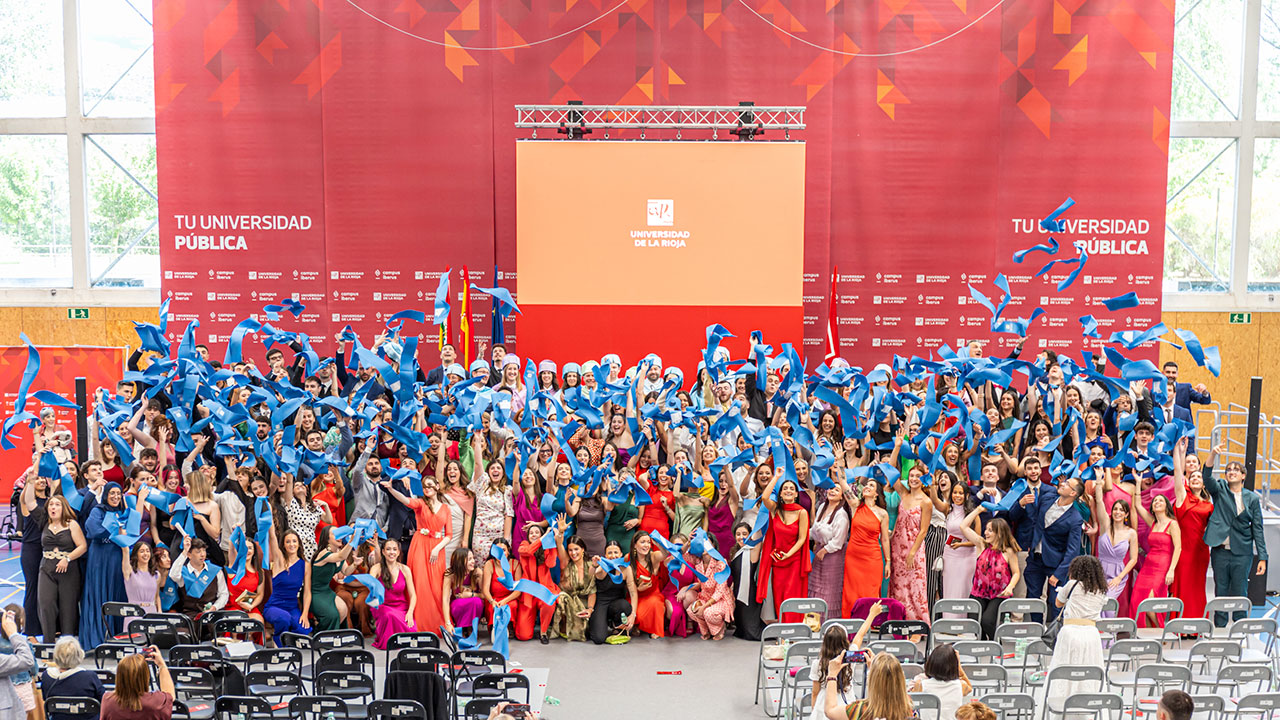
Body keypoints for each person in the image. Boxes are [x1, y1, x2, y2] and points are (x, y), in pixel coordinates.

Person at [1203, 443, 1267, 626]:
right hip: (1220, 551)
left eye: (1236, 470)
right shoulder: (1220, 489)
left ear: (1243, 476)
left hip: (1242, 552)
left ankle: (1239, 629)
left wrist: (1262, 557)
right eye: (1228, 470)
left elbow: (1258, 528)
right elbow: (1206, 477)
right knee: (1220, 590)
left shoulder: (1252, 498)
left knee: (1240, 590)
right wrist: (1213, 453)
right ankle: (1220, 628)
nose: (1232, 472)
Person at [381, 476, 451, 637]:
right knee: (419, 584)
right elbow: (406, 500)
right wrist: (391, 489)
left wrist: (437, 548)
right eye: (425, 487)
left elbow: (449, 534)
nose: (427, 489)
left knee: (436, 586)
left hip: (437, 549)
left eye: (430, 485)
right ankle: (417, 622)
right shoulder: (420, 504)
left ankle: (437, 623)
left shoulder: (445, 508)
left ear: (437, 486)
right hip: (420, 546)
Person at [1012, 477, 1083, 622]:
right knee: (1033, 599)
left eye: (1067, 484)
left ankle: (1055, 636)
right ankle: (1037, 630)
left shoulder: (1075, 518)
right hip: (1035, 559)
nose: (1063, 484)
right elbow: (1033, 519)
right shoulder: (1047, 498)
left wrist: (1059, 573)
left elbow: (1073, 550)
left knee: (1056, 602)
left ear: (1073, 493)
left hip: (1056, 564)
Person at [1046, 555, 1109, 704]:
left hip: (1070, 632)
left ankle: (1063, 704)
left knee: (1064, 670)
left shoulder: (1072, 584)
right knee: (1088, 672)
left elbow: (1058, 604)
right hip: (1091, 634)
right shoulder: (1101, 590)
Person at [958, 508, 1021, 640]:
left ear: (999, 533)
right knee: (975, 622)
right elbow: (963, 526)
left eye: (990, 530)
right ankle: (982, 645)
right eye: (986, 529)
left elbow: (1016, 573)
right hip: (979, 591)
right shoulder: (982, 545)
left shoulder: (1008, 551)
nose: (985, 533)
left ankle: (996, 644)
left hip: (999, 593)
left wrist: (1010, 587)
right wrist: (979, 510)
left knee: (987, 621)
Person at [80, 482, 129, 648]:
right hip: (100, 558)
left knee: (117, 593)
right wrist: (116, 529)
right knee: (98, 594)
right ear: (106, 494)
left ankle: (116, 636)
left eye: (118, 493)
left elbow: (132, 532)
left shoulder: (124, 512)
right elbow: (93, 530)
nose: (115, 497)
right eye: (112, 493)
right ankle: (96, 639)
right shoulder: (98, 511)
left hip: (117, 557)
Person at [758, 476, 812, 623]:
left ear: (796, 494)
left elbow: (802, 538)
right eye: (785, 488)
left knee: (791, 596)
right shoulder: (776, 510)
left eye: (791, 489)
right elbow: (764, 497)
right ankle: (783, 632)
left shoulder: (802, 513)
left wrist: (789, 554)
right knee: (779, 596)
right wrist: (776, 477)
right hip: (778, 560)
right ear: (780, 494)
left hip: (794, 560)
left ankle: (793, 631)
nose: (788, 491)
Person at [811, 608, 880, 720]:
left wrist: (814, 710)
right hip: (846, 702)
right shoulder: (850, 658)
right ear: (845, 642)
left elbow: (815, 692)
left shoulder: (817, 663)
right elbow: (860, 635)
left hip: (824, 703)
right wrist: (872, 614)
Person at [839, 472, 891, 617]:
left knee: (871, 591)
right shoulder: (856, 505)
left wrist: (888, 562)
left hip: (872, 558)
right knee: (851, 591)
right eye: (867, 484)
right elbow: (843, 483)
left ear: (877, 494)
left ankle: (869, 624)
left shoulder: (883, 514)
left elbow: (885, 539)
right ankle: (851, 623)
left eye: (871, 485)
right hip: (853, 557)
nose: (867, 486)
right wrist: (839, 462)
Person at [1171, 438, 1212, 619]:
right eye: (1193, 476)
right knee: (1183, 586)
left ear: (1203, 484)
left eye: (1199, 477)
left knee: (1197, 587)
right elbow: (1178, 472)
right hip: (1183, 550)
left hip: (1201, 551)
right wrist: (1180, 452)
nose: (1195, 478)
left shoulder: (1209, 505)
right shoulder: (1182, 497)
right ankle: (1180, 625)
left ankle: (1196, 625)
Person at [38, 495, 86, 642]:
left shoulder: (71, 524)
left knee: (68, 608)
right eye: (51, 504)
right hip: (47, 568)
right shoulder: (45, 523)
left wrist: (67, 558)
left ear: (63, 507)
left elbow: (83, 546)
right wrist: (31, 481)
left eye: (57, 504)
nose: (53, 507)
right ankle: (48, 644)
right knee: (46, 604)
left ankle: (67, 646)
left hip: (68, 571)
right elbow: (28, 503)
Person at [1130, 494, 1181, 628]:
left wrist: (1171, 570)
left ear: (1166, 505)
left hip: (1162, 567)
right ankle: (1147, 635)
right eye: (1155, 501)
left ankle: (1161, 630)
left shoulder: (1172, 524)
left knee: (1149, 602)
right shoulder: (1153, 522)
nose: (1157, 502)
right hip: (1148, 567)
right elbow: (1138, 506)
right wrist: (1138, 481)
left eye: (1161, 500)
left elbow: (1178, 548)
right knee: (1138, 601)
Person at [889, 465, 933, 622]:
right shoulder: (903, 494)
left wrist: (913, 552)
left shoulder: (926, 502)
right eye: (911, 476)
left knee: (916, 587)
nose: (914, 479)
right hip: (897, 547)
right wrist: (897, 446)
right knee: (899, 586)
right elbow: (891, 472)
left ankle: (918, 623)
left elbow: (923, 531)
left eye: (917, 476)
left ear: (923, 480)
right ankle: (900, 621)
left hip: (914, 547)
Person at [1091, 482, 1138, 619]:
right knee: (1097, 605)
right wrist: (1099, 482)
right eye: (1115, 509)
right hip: (1100, 571)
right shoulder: (1106, 525)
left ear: (1126, 514)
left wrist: (1119, 577)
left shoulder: (1131, 533)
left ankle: (1109, 639)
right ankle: (1098, 637)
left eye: (1121, 510)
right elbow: (1099, 501)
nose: (1118, 512)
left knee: (1109, 605)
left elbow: (1133, 559)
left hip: (1117, 573)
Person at [823, 651, 913, 720]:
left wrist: (832, 675)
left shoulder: (860, 710)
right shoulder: (909, 709)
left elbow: (830, 711)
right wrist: (874, 669)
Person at [262, 530, 311, 646]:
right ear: (283, 545)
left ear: (299, 543)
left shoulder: (305, 565)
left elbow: (307, 592)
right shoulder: (279, 561)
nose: (291, 544)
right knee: (284, 618)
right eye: (288, 542)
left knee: (302, 630)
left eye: (294, 541)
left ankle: (288, 635)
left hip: (292, 607)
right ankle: (278, 638)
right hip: (274, 606)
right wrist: (269, 515)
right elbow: (273, 537)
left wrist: (305, 613)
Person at [99, 649, 174, 720]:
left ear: (119, 676)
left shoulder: (108, 700)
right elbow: (170, 696)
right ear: (146, 677)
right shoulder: (157, 701)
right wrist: (161, 665)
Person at [38, 637, 101, 720]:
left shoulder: (47, 676)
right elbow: (103, 700)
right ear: (79, 655)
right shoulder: (90, 677)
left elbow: (45, 698)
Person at [370, 539, 417, 649]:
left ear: (399, 552)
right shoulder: (376, 568)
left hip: (401, 607)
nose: (392, 552)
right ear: (383, 552)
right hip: (382, 605)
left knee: (412, 631)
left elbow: (413, 595)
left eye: (395, 549)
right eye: (388, 549)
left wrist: (410, 612)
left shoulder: (405, 569)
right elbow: (370, 588)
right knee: (389, 615)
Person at [588, 541, 638, 645]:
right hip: (601, 602)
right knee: (598, 638)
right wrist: (594, 565)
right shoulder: (602, 567)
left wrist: (633, 614)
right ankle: (601, 621)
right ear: (605, 555)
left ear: (620, 554)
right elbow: (593, 574)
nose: (613, 556)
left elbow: (633, 593)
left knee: (625, 606)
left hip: (617, 604)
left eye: (616, 552)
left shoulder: (626, 569)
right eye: (609, 553)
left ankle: (615, 623)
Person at [18, 469, 48, 638]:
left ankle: (47, 628)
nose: (41, 481)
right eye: (37, 479)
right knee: (33, 589)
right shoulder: (27, 502)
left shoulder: (51, 500)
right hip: (31, 549)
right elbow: (26, 496)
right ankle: (30, 632)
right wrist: (32, 475)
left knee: (47, 592)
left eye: (43, 478)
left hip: (47, 549)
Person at [309, 526, 356, 632]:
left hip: (326, 590)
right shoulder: (324, 553)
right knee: (332, 614)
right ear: (327, 538)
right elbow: (340, 557)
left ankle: (332, 634)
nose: (339, 536)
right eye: (335, 534)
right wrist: (351, 542)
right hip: (314, 592)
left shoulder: (339, 551)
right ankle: (321, 635)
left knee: (343, 609)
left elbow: (346, 571)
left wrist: (355, 564)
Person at [551, 532, 595, 642]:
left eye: (576, 549)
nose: (573, 553)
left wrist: (589, 609)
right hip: (568, 603)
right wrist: (560, 533)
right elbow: (559, 545)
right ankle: (564, 626)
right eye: (570, 550)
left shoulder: (590, 566)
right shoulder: (566, 563)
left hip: (585, 603)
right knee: (561, 597)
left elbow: (592, 591)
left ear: (583, 549)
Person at [910, 644, 972, 720]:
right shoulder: (961, 685)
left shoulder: (921, 685)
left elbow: (912, 702)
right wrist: (958, 665)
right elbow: (970, 688)